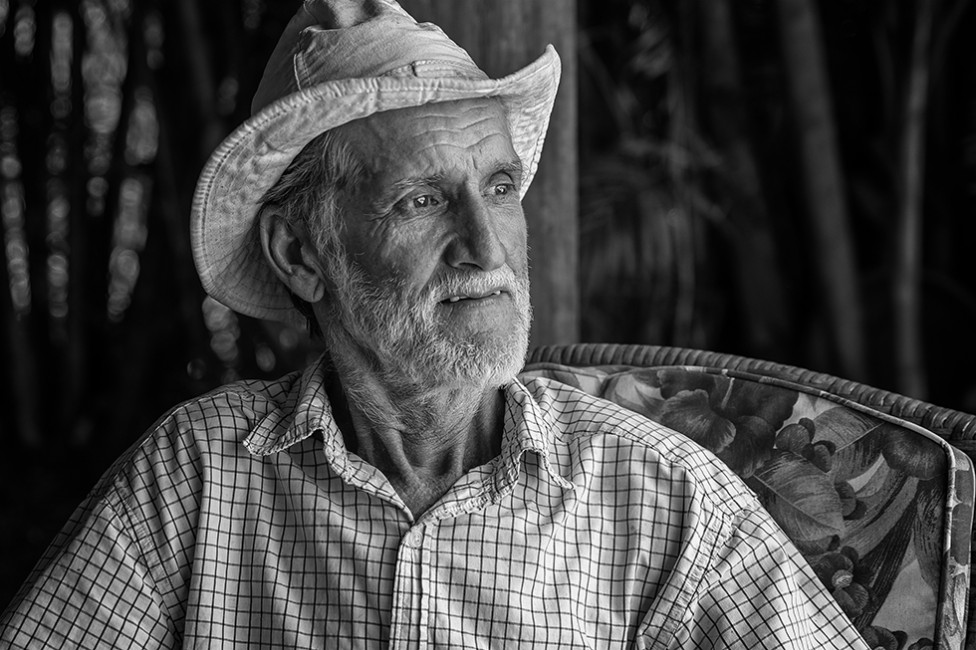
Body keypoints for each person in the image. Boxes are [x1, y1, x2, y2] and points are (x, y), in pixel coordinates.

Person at [1, 1, 870, 648]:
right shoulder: (192, 481)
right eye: (422, 200)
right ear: (303, 255)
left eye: (498, 189)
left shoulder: (661, 497)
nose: (485, 248)